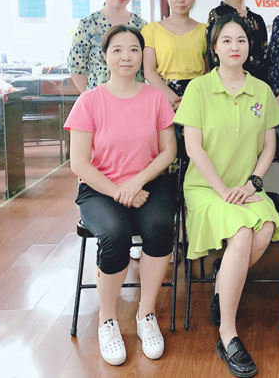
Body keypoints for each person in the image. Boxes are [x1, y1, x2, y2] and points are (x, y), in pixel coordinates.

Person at [174, 14, 279, 378]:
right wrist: (223, 192)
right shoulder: (199, 89)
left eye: (241, 40)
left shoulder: (262, 91)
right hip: (207, 188)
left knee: (264, 229)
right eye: (226, 40)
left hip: (246, 186)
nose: (235, 47)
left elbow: (269, 147)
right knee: (241, 233)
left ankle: (223, 278)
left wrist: (252, 183)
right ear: (214, 48)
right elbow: (193, 148)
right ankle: (228, 333)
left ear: (250, 47)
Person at [65, 25, 177, 366]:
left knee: (160, 227)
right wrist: (119, 190)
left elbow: (168, 151)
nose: (126, 56)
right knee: (114, 234)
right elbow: (79, 163)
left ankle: (146, 314)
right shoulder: (89, 101)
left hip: (149, 183)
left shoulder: (156, 98)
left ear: (142, 55)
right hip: (100, 188)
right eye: (117, 50)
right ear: (105, 56)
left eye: (133, 49)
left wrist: (136, 183)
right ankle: (107, 320)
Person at [68, 0, 147, 93]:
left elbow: (148, 69)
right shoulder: (88, 25)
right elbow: (76, 69)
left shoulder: (142, 26)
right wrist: (92, 98)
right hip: (100, 100)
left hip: (135, 98)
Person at [142, 0, 207, 110]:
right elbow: (148, 71)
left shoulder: (205, 30)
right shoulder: (151, 30)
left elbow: (209, 70)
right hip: (163, 94)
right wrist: (173, 98)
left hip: (198, 94)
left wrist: (193, 96)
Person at [206, 0, 269, 83]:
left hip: (256, 86)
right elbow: (213, 57)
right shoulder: (217, 15)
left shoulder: (257, 20)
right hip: (226, 85)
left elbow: (264, 59)